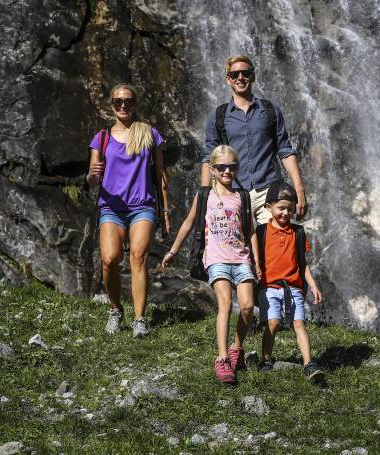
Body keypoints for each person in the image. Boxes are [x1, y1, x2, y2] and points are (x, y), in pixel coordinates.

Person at [161, 145, 260, 384]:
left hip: (241, 257)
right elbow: (187, 223)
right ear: (212, 170)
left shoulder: (242, 196)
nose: (227, 171)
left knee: (247, 307)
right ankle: (222, 359)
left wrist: (257, 260)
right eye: (221, 167)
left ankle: (237, 348)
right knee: (225, 304)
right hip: (216, 258)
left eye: (232, 167)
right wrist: (173, 250)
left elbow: (251, 231)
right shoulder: (204, 195)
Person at [86, 83, 171, 338]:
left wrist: (166, 212)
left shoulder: (149, 134)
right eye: (118, 102)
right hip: (111, 207)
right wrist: (92, 175)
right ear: (111, 105)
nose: (123, 106)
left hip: (142, 206)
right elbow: (92, 179)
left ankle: (139, 319)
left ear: (136, 103)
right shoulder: (101, 138)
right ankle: (115, 309)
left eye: (128, 101)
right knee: (110, 259)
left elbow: (160, 175)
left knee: (138, 256)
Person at [202, 54, 307, 225]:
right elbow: (209, 158)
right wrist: (205, 196)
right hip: (232, 192)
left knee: (272, 247)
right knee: (235, 248)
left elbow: (285, 150)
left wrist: (299, 188)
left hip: (268, 190)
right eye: (235, 75)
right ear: (228, 79)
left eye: (245, 73)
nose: (240, 78)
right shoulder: (218, 116)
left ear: (253, 76)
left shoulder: (270, 110)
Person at [256, 181, 324, 382]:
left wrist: (312, 285)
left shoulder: (298, 233)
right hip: (269, 287)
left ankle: (309, 363)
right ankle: (266, 359)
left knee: (299, 323)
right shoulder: (261, 232)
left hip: (293, 287)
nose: (285, 213)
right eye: (281, 208)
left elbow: (303, 263)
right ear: (268, 207)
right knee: (273, 322)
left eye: (290, 209)